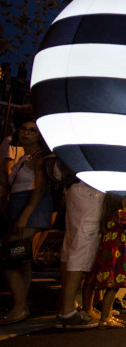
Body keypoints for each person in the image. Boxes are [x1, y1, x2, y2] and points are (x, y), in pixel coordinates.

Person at [0, 109, 55, 325]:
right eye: (24, 129)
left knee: (10, 258)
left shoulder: (39, 157)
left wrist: (24, 215)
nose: (26, 133)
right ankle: (19, 305)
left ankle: (20, 306)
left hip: (30, 208)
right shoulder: (25, 156)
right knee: (22, 260)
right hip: (20, 206)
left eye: (32, 130)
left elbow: (40, 188)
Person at [55, 160, 105, 329]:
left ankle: (66, 304)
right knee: (82, 248)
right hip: (88, 189)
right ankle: (67, 311)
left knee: (70, 246)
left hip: (74, 187)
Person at [88, 195, 126, 328]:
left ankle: (108, 315)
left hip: (110, 253)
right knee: (113, 286)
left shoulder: (114, 213)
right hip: (116, 254)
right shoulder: (121, 213)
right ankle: (105, 318)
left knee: (113, 286)